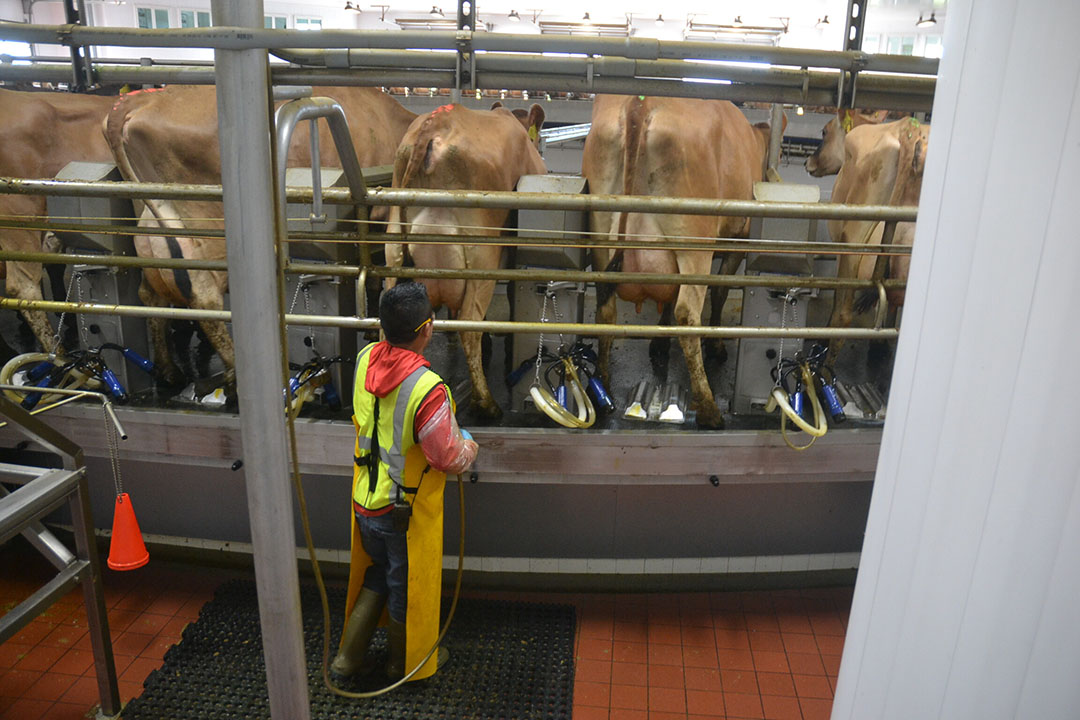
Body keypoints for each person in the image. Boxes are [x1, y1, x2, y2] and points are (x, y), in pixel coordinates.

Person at [332, 282, 478, 682]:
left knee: (379, 573)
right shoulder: (426, 389)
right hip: (403, 514)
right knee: (406, 587)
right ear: (427, 328)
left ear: (383, 328)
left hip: (364, 501)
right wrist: (469, 446)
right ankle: (405, 664)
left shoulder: (364, 359)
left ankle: (347, 659)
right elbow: (446, 457)